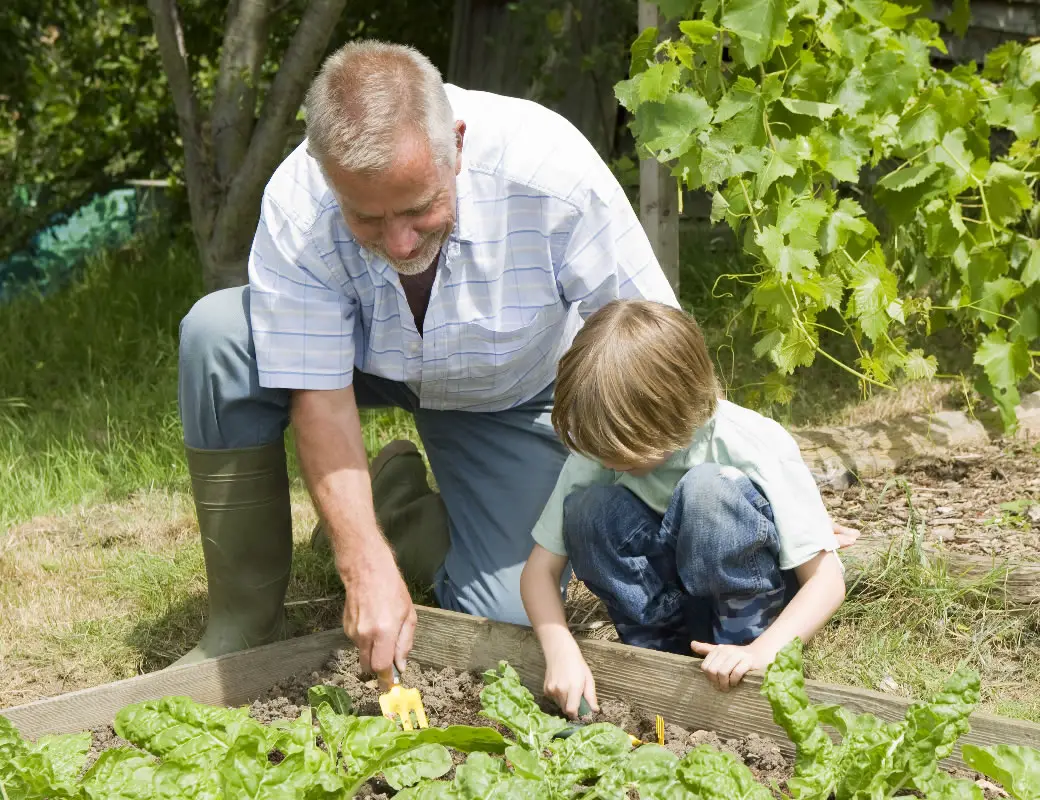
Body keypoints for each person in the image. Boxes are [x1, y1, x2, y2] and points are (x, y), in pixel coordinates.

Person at [175, 38, 855, 685]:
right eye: (367, 221)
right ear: (331, 179)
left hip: (507, 395)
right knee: (217, 335)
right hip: (363, 364)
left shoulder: (550, 172)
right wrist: (361, 567)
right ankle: (242, 621)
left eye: (417, 208)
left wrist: (751, 494)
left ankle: (393, 506)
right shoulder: (302, 201)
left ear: (457, 147)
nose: (399, 240)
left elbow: (651, 352)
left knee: (501, 621)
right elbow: (318, 396)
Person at [519, 299, 851, 718]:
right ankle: (658, 645)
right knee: (588, 511)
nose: (604, 463)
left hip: (741, 601)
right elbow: (538, 572)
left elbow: (826, 580)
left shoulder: (751, 443)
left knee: (707, 491)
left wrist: (765, 652)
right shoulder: (602, 448)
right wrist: (560, 649)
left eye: (617, 454)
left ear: (669, 419)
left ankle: (737, 643)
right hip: (673, 596)